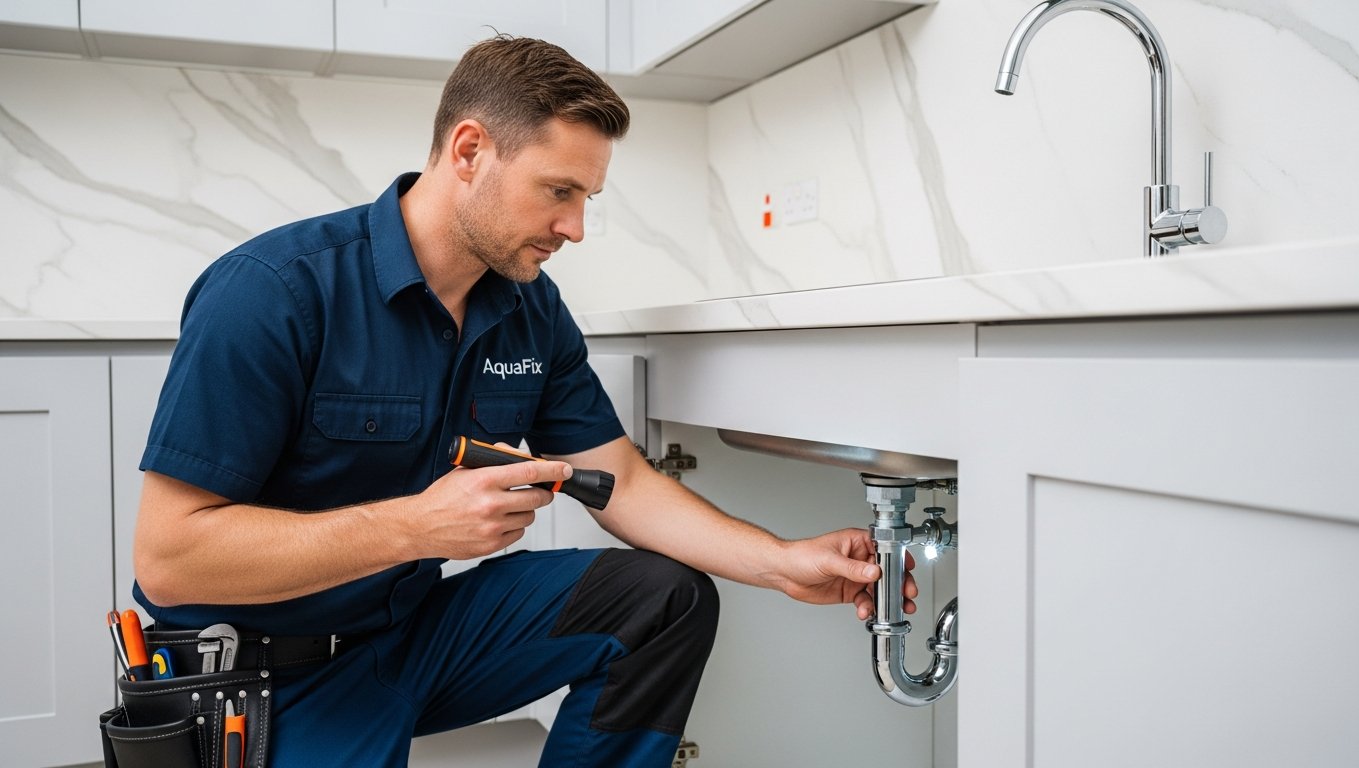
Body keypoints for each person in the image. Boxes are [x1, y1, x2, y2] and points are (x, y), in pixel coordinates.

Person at [132, 34, 918, 768]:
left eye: (587, 198)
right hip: (264, 677)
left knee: (660, 599)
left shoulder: (528, 308)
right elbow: (169, 560)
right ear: (469, 150)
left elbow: (627, 485)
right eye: (558, 190)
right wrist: (416, 526)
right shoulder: (274, 292)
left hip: (407, 636)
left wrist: (781, 564)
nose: (574, 227)